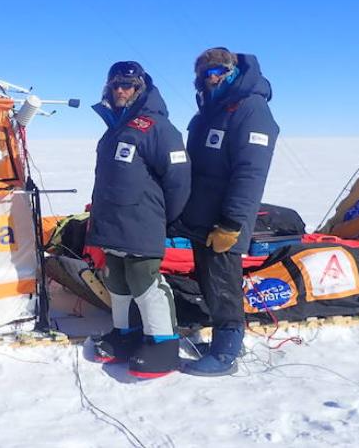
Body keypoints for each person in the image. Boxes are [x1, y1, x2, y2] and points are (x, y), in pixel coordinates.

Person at [178, 47, 279, 377]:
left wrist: (233, 222)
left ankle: (227, 353)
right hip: (202, 216)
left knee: (223, 285)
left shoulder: (251, 109)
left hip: (225, 219)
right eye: (204, 74)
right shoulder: (212, 110)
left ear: (233, 70)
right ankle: (224, 341)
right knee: (209, 282)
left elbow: (250, 173)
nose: (211, 78)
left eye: (217, 71)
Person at [87, 61, 191, 379]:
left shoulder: (157, 127)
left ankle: (163, 343)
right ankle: (125, 334)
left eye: (128, 85)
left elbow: (179, 179)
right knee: (117, 281)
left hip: (142, 219)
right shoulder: (118, 126)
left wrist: (164, 218)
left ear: (140, 88)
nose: (121, 90)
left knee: (144, 280)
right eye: (116, 84)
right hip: (114, 222)